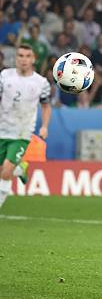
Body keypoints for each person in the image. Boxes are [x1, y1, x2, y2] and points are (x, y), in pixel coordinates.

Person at [0, 44, 51, 209]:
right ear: (16, 58)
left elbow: (45, 106)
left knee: (6, 172)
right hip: (2, 130)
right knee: (3, 170)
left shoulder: (41, 82)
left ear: (33, 59)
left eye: (27, 56)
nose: (24, 59)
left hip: (22, 133)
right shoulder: (4, 76)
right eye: (20, 56)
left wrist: (44, 126)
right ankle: (21, 169)